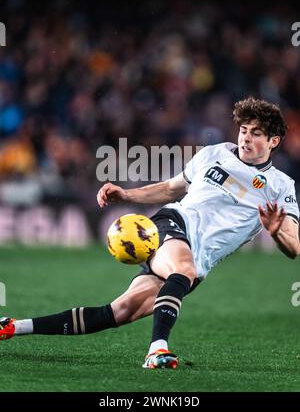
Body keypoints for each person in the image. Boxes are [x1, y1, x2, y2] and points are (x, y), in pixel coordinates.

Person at [1, 97, 299, 369]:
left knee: (119, 311)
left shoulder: (280, 185)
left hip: (199, 262)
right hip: (173, 224)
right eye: (244, 129)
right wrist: (126, 194)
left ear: (273, 140)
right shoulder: (215, 154)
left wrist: (275, 231)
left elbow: (294, 245)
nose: (246, 137)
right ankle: (157, 350)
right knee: (183, 269)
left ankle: (13, 326)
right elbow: (171, 188)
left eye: (256, 133)